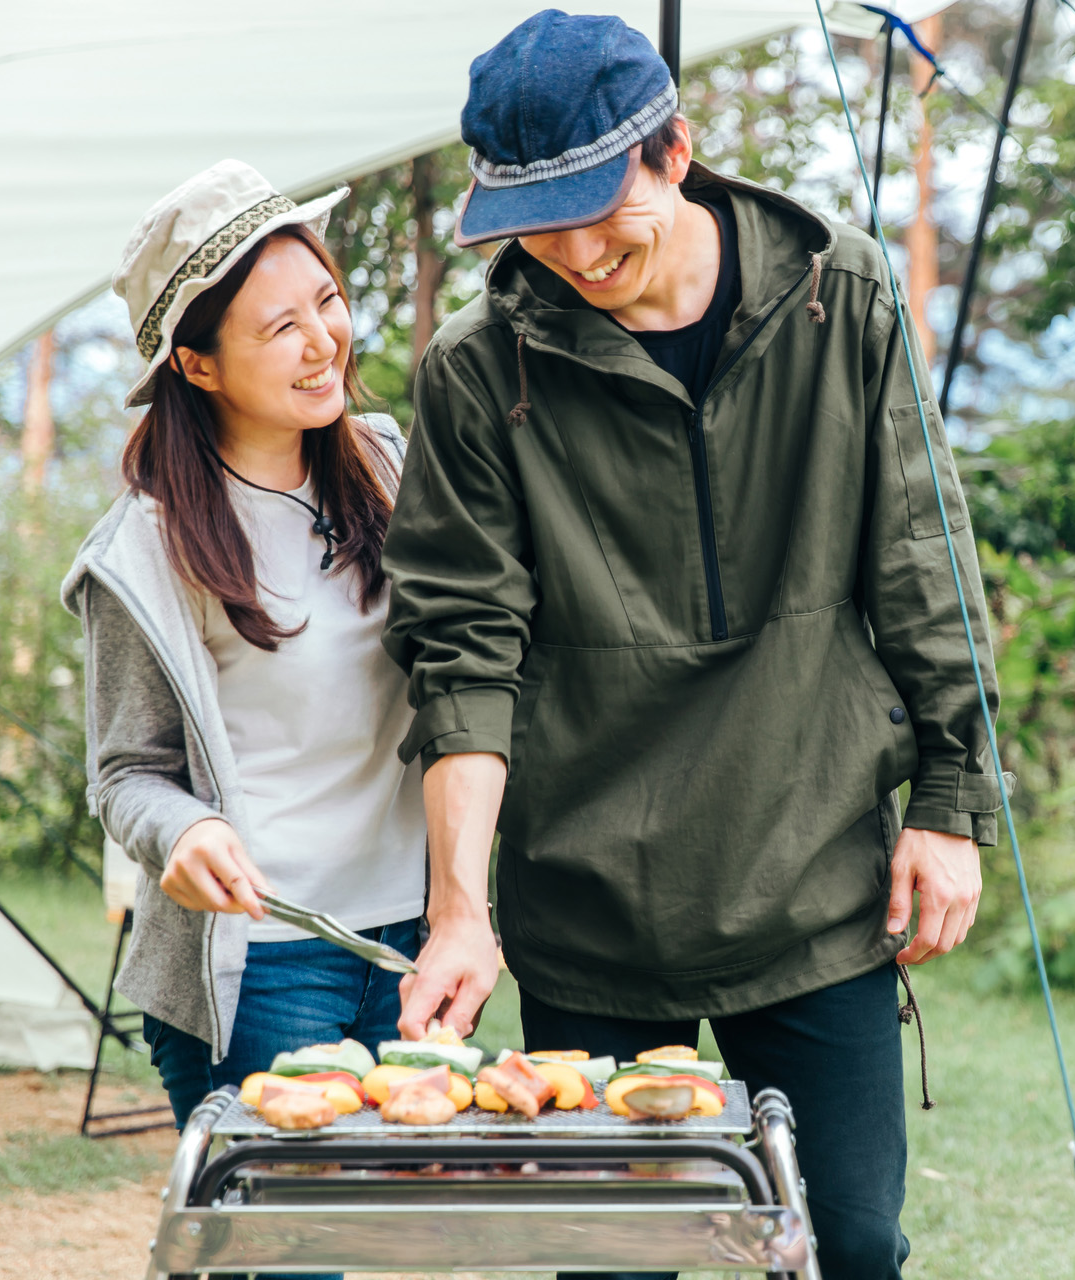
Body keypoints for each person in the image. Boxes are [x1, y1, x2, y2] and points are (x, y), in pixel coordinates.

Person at [382, 13, 1010, 1279]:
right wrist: (460, 909)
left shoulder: (846, 289)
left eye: (588, 206)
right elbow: (465, 656)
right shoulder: (476, 368)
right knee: (617, 1259)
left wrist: (949, 799)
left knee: (853, 1246)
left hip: (813, 872)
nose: (568, 252)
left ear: (676, 148)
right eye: (531, 222)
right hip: (589, 898)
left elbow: (920, 557)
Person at [61, 160, 426, 1146]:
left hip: (409, 942)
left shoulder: (394, 467)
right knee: (289, 1249)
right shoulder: (144, 550)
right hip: (262, 956)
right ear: (198, 364)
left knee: (378, 1237)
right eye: (281, 328)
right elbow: (127, 773)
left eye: (328, 302)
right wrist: (180, 834)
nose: (325, 343)